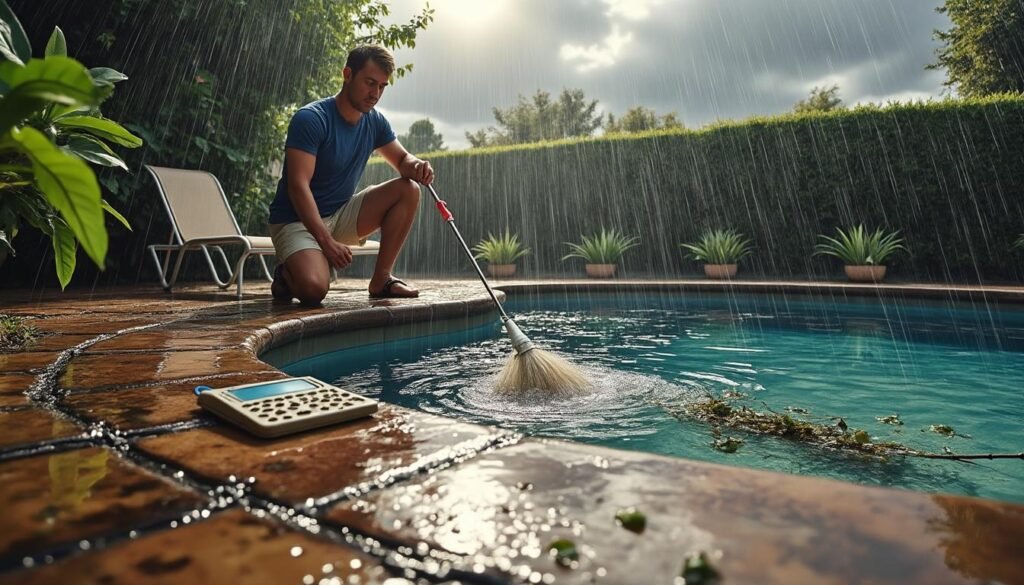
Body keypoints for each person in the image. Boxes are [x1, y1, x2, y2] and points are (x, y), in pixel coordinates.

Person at [268, 44, 433, 305]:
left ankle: (382, 280)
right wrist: (326, 243)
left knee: (408, 189)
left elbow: (402, 160)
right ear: (347, 74)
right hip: (295, 220)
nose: (375, 93)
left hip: (340, 213)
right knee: (313, 290)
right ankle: (287, 274)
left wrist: (416, 165)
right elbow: (298, 187)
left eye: (382, 86)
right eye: (369, 83)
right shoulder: (311, 119)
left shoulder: (375, 122)